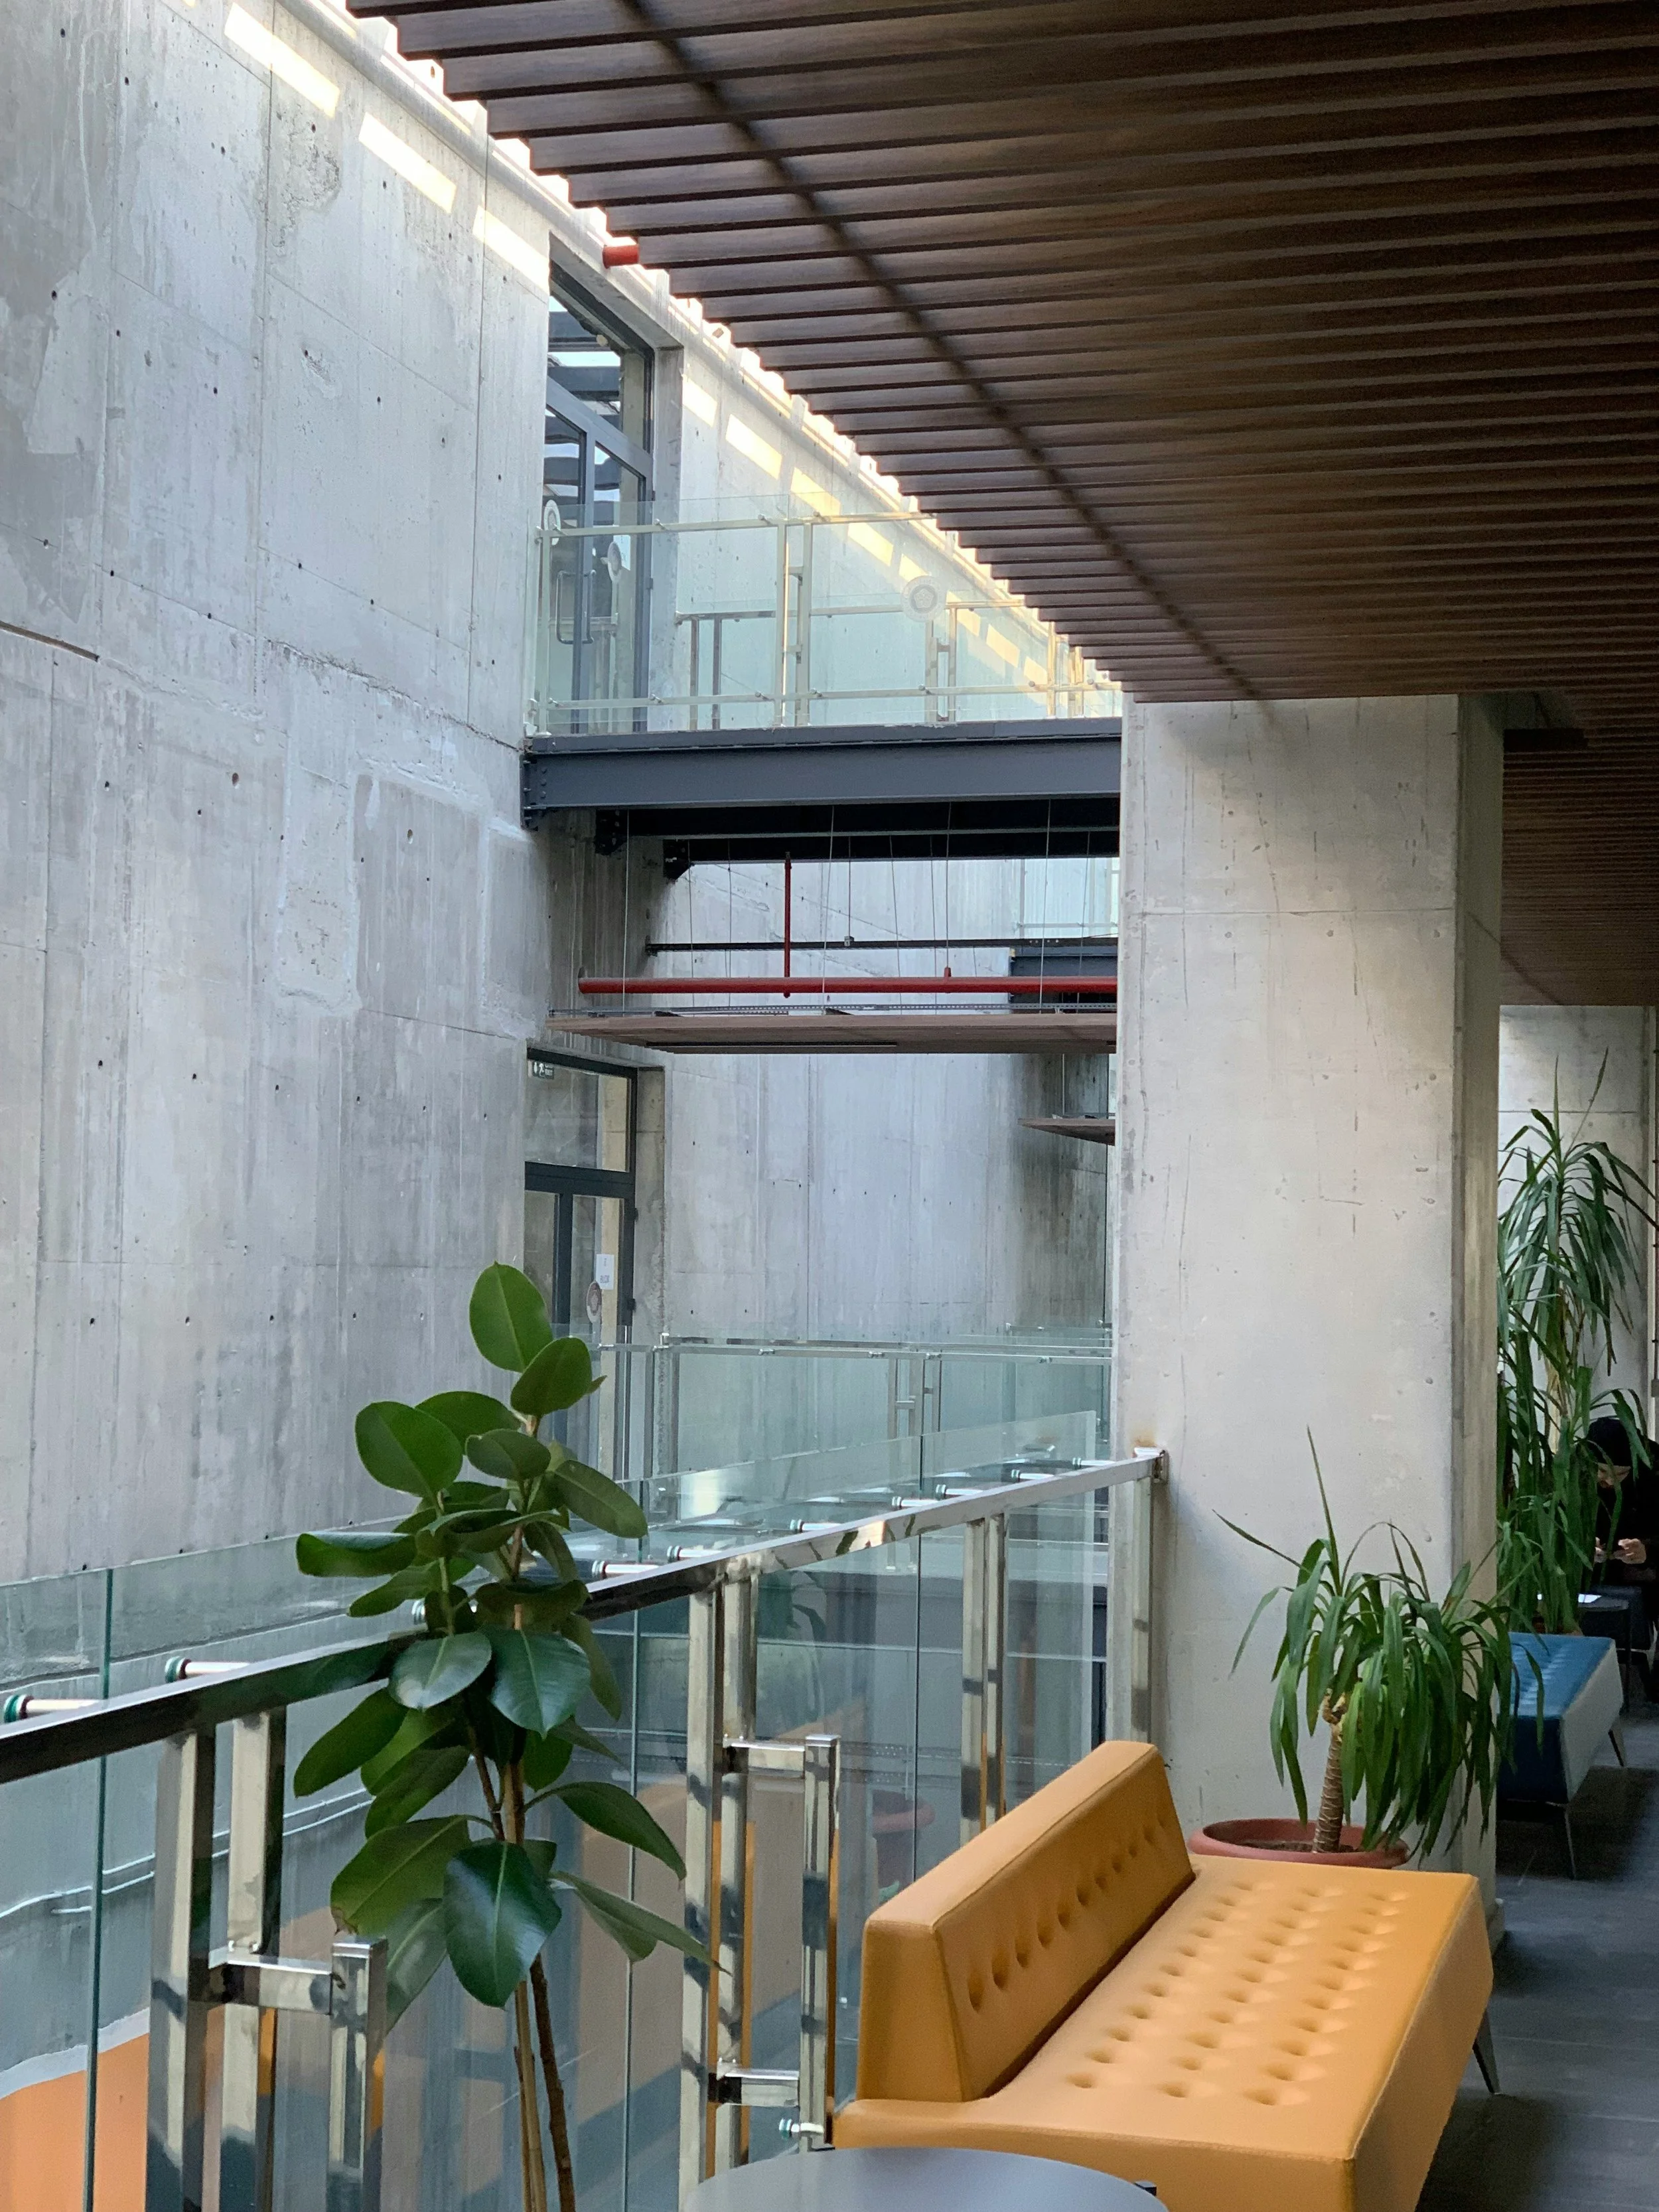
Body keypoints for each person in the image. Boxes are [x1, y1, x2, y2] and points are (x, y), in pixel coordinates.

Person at [1588, 1414, 1659, 1636]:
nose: (1609, 1481)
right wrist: (1581, 1546)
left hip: (1648, 1577)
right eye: (1601, 1471)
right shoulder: (1573, 1472)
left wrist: (1648, 1549)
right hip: (1592, 1579)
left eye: (1619, 1474)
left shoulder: (1654, 1470)